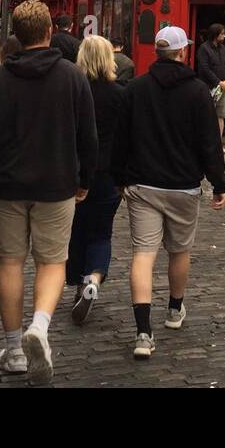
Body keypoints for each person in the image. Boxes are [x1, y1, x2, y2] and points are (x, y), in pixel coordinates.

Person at [0, 1, 97, 384]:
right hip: (56, 185)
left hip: (7, 186)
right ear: (49, 31)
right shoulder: (73, 77)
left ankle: (14, 349)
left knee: (10, 263)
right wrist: (85, 180)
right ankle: (39, 327)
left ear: (18, 35)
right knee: (52, 262)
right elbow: (87, 137)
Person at [111, 25, 225, 361]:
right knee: (179, 251)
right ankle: (175, 310)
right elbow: (210, 143)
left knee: (143, 254)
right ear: (183, 52)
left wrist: (118, 177)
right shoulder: (197, 91)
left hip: (143, 184)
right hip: (184, 185)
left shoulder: (135, 89)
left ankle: (143, 333)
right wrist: (218, 184)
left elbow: (121, 138)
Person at [67, 35, 127, 326]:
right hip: (107, 173)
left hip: (74, 171)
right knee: (101, 232)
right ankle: (93, 278)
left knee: (76, 229)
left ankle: (80, 282)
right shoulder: (119, 94)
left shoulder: (73, 91)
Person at [195, 23, 225, 138]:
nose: (224, 36)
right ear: (215, 35)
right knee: (206, 115)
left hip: (222, 87)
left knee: (221, 115)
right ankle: (205, 143)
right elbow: (204, 68)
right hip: (208, 87)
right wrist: (218, 82)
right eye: (222, 34)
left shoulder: (223, 48)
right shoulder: (204, 48)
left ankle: (218, 144)